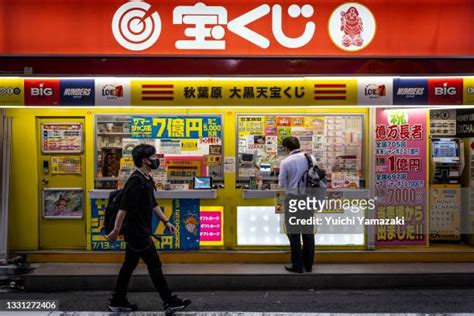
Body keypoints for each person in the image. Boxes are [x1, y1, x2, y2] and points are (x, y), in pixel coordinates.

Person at [106, 144, 191, 313]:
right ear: (145, 160)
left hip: (139, 230)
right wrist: (116, 230)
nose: (156, 159)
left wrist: (166, 222)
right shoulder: (136, 181)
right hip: (137, 232)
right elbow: (124, 208)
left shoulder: (146, 178)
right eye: (153, 156)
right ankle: (169, 301)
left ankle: (118, 300)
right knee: (154, 264)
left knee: (129, 265)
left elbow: (153, 204)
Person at [278, 136, 316, 274]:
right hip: (309, 199)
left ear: (286, 148)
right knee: (308, 233)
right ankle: (309, 265)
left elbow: (282, 184)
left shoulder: (286, 162)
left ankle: (297, 265)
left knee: (294, 234)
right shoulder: (310, 158)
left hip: (293, 199)